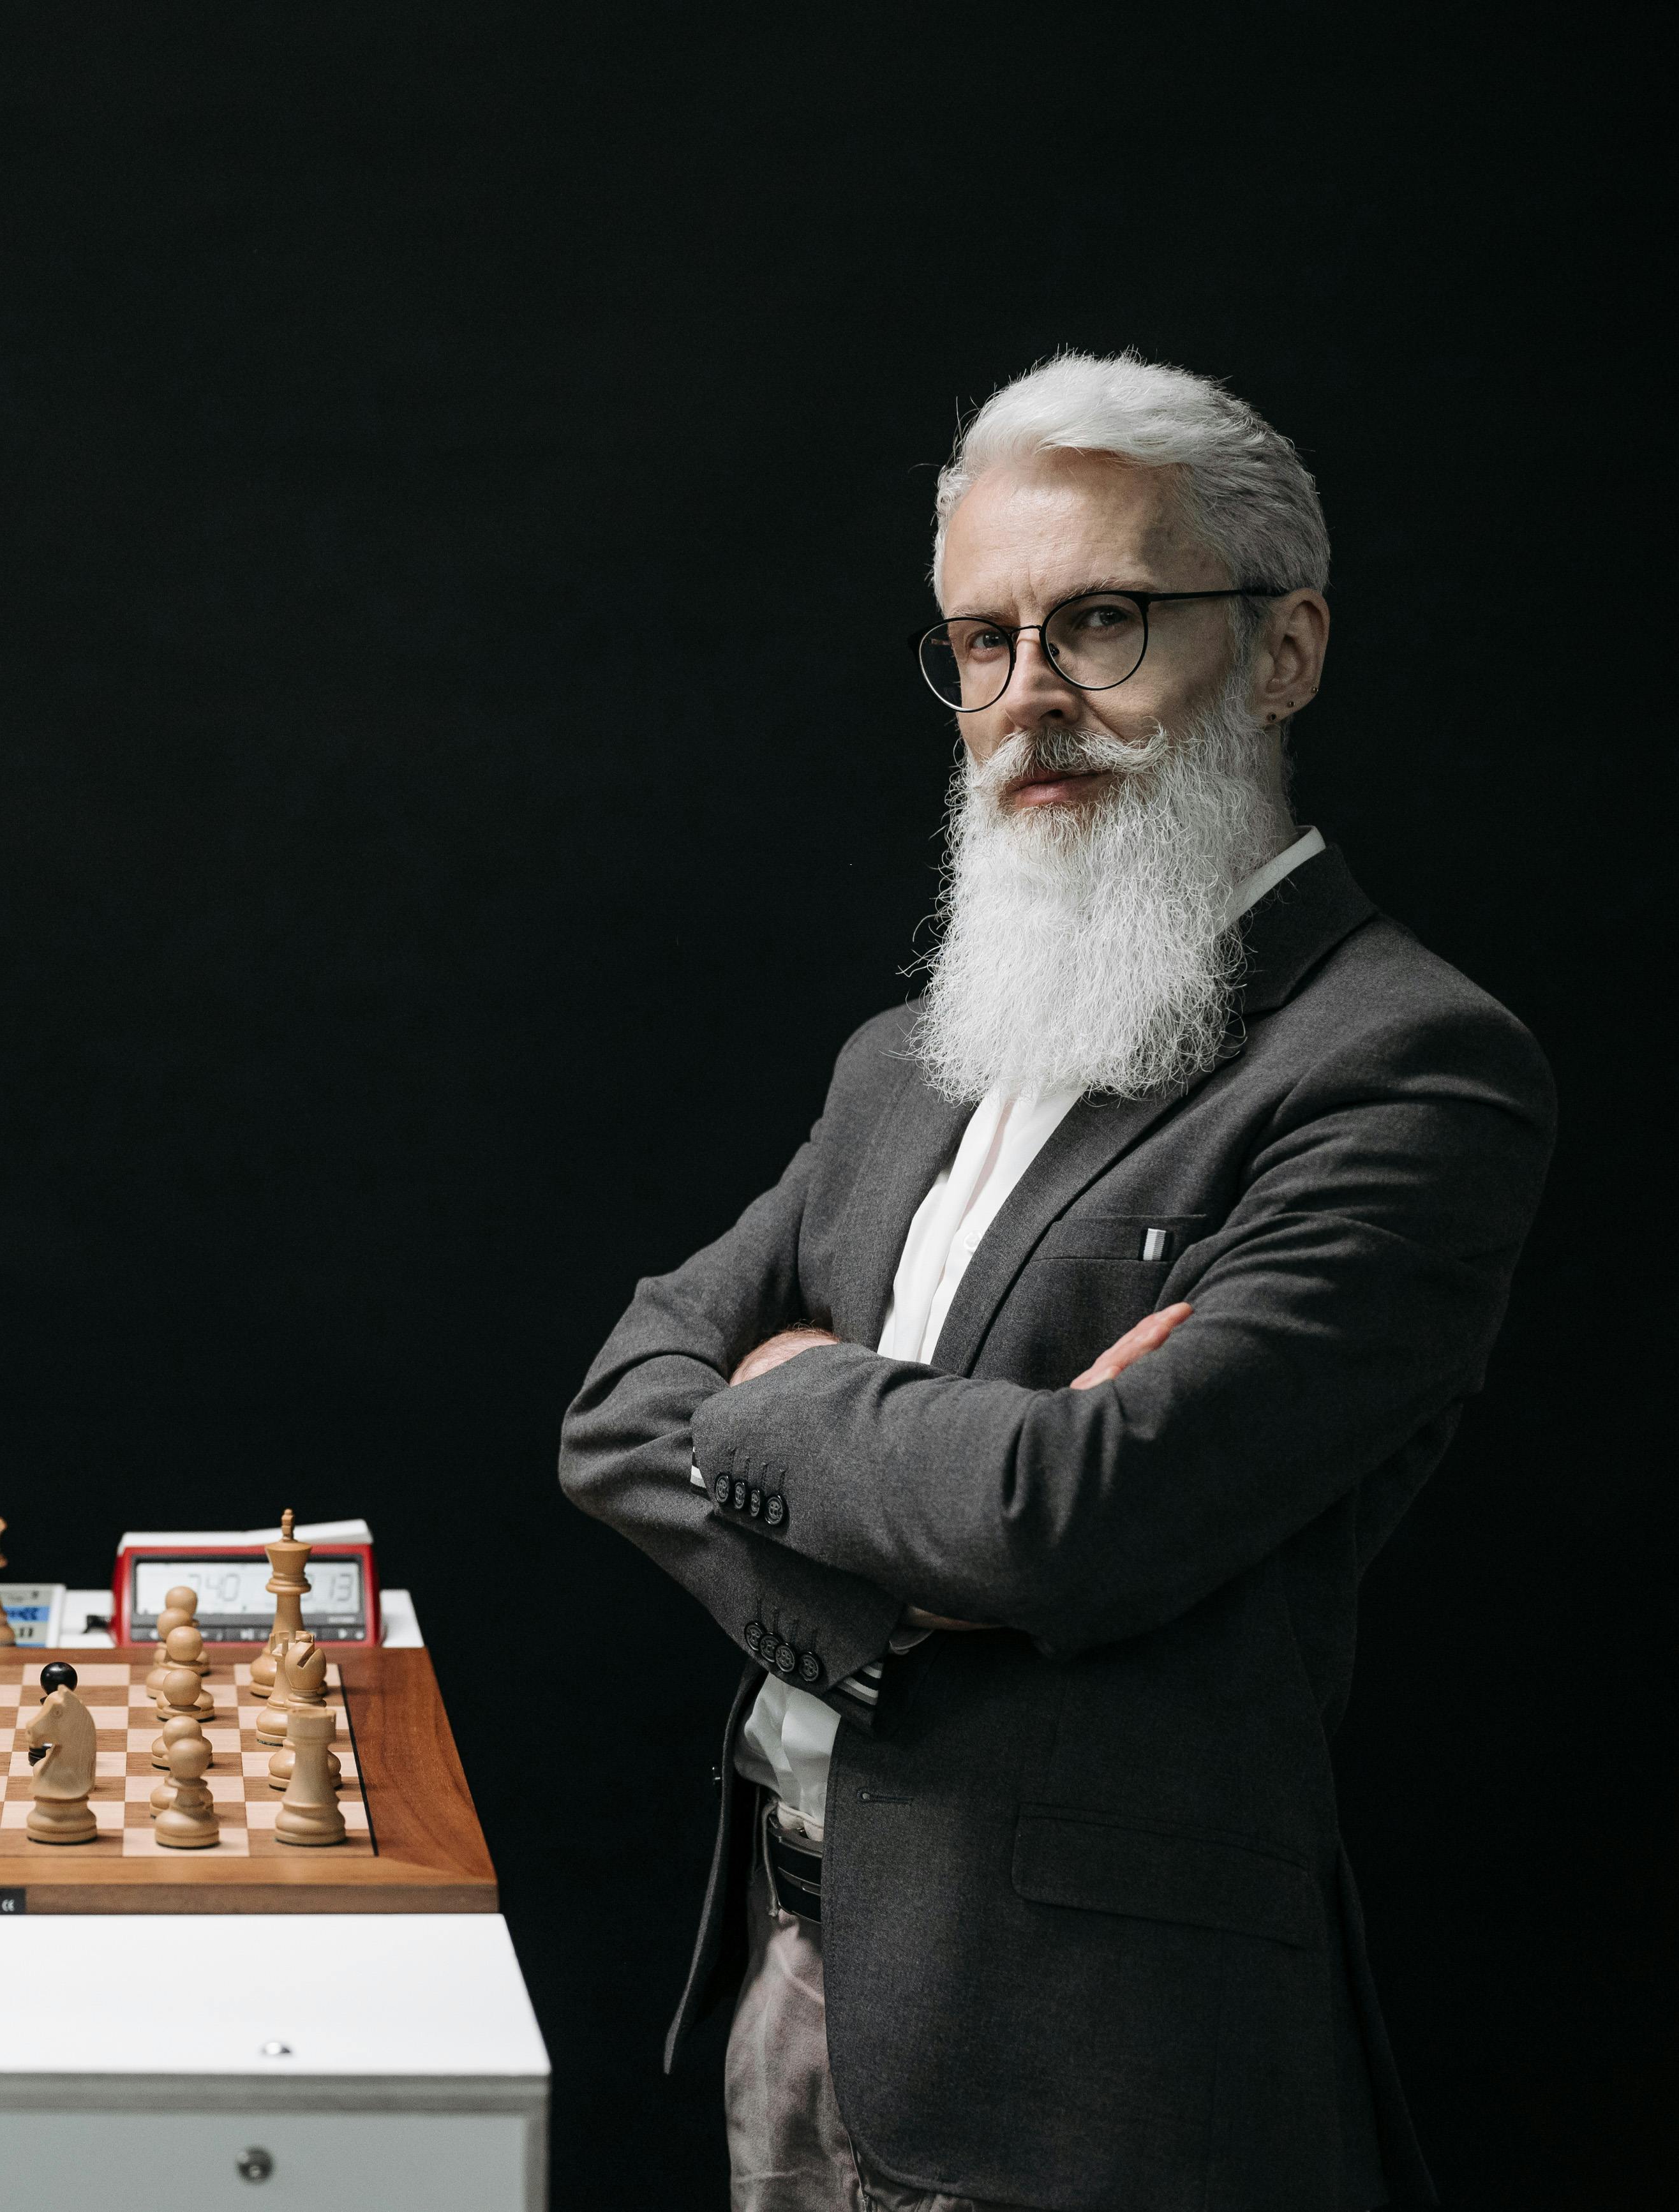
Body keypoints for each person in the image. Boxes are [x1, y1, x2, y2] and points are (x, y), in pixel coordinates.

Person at [560, 352, 1553, 2212]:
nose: (1032, 704)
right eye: (984, 645)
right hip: (792, 1988)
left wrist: (777, 1395)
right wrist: (894, 1597)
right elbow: (617, 1406)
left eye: (1100, 623)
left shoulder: (1412, 1067)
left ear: (1284, 648)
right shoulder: (913, 1055)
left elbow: (1074, 1513)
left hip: (1089, 2070)